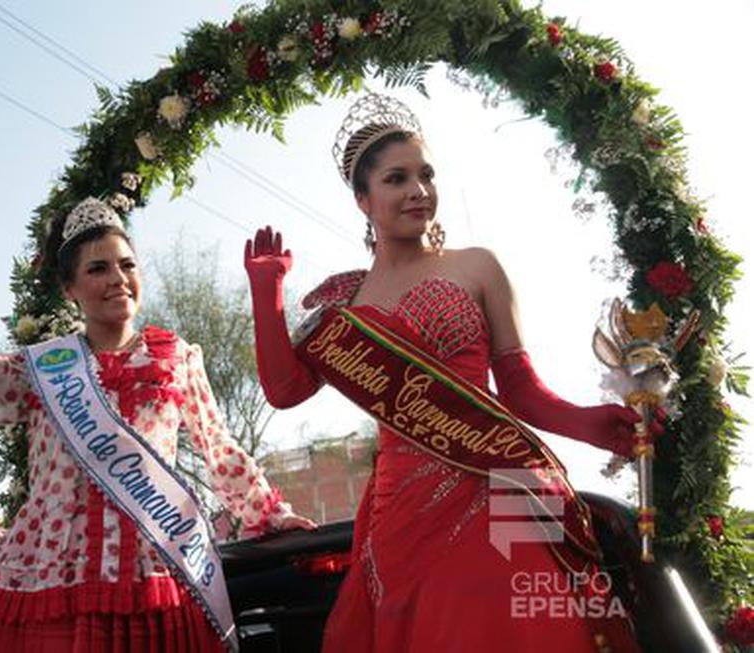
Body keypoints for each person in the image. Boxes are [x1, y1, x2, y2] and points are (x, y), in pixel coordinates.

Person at [244, 94, 651, 652]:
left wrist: (588, 423)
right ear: (364, 200)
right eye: (396, 179)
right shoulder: (346, 305)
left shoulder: (477, 265)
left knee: (533, 624)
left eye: (426, 174)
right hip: (404, 508)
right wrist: (266, 290)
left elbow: (521, 392)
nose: (418, 190)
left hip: (502, 482)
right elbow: (285, 392)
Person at [0, 196, 313, 652]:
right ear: (70, 289)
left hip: (151, 581)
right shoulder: (41, 369)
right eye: (98, 269)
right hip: (47, 584)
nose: (117, 278)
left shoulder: (176, 358)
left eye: (127, 265)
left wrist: (269, 516)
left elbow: (219, 449)